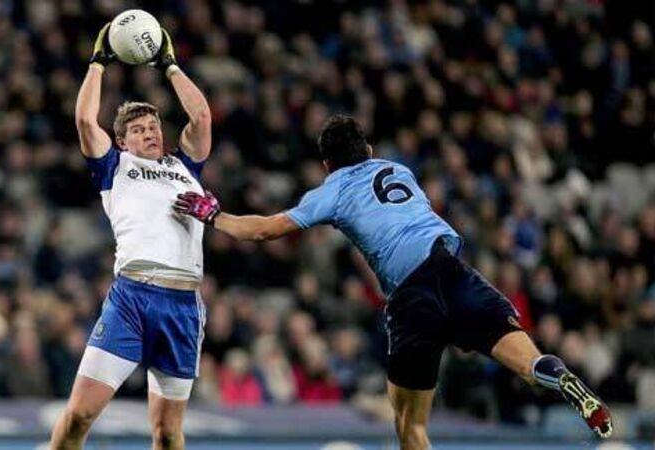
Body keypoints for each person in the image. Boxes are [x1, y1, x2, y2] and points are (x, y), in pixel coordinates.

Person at [174, 114, 612, 449]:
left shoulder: (332, 190)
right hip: (453, 273)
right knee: (530, 364)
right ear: (367, 148)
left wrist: (215, 215)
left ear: (327, 164)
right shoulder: (398, 169)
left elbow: (266, 230)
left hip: (411, 298)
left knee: (410, 424)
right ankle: (563, 379)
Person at [50, 23, 211, 450]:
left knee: (168, 433)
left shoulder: (185, 168)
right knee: (80, 414)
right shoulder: (114, 167)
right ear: (121, 141)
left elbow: (201, 117)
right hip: (132, 297)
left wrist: (170, 66)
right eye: (139, 130)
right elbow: (85, 119)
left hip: (182, 304)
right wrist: (98, 63)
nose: (151, 132)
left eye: (154, 126)